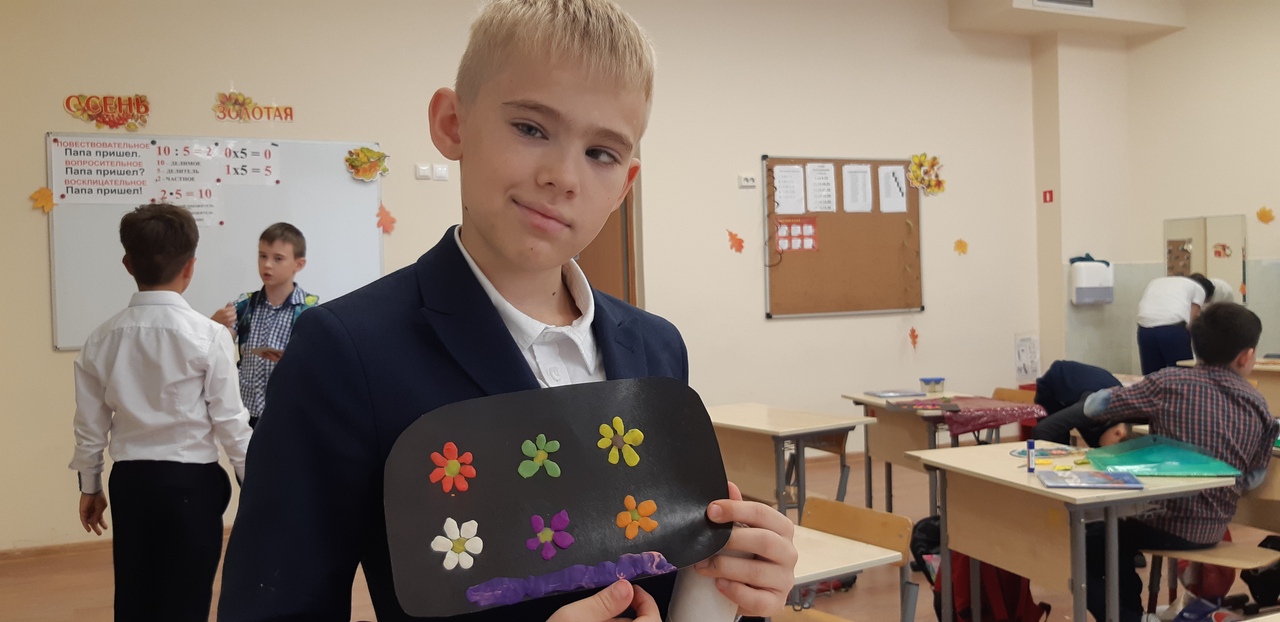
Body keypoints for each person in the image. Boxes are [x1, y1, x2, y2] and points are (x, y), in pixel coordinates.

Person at [217, 2, 797, 621]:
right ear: (453, 124)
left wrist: (736, 588)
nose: (563, 176)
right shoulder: (347, 352)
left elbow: (664, 572)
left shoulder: (656, 348)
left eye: (601, 153)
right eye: (531, 128)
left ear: (625, 185)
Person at [69, 203, 252, 621]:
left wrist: (90, 485)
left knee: (135, 595)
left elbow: (90, 427)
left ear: (128, 264)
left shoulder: (100, 339)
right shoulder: (210, 336)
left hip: (131, 484)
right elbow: (230, 422)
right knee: (187, 598)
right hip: (192, 484)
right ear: (190, 268)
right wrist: (255, 485)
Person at [1082, 302, 1278, 622]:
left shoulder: (1169, 382)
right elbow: (1252, 480)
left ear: (1194, 345)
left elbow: (1094, 407)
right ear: (1246, 356)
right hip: (1213, 527)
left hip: (1161, 521)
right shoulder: (1258, 404)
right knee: (1110, 538)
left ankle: (1128, 616)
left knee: (1087, 542)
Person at [211, 222, 318, 428]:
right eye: (262, 256)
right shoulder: (244, 304)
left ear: (299, 264)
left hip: (287, 411)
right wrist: (215, 325)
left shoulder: (309, 309)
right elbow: (219, 346)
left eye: (278, 258)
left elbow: (316, 362)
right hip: (246, 412)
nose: (267, 265)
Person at [1135, 273, 1214, 374]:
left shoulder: (1158, 281)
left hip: (1144, 329)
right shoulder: (1199, 289)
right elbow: (1191, 324)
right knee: (1183, 374)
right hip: (1172, 330)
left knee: (1152, 376)